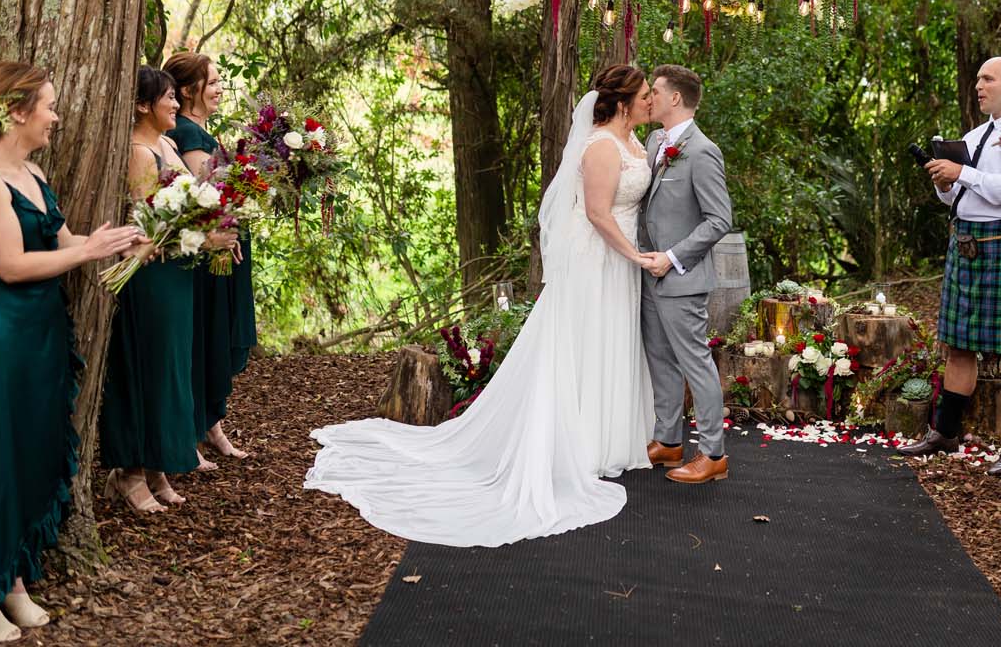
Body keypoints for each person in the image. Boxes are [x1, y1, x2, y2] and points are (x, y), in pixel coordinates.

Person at [304, 66, 660, 545]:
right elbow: (597, 214)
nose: (650, 102)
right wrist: (635, 255)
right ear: (622, 102)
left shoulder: (638, 144)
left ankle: (609, 440)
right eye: (643, 96)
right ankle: (581, 446)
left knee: (610, 343)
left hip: (621, 260)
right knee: (586, 343)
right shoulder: (600, 146)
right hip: (598, 259)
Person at [0, 62, 139, 646]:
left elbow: (61, 241)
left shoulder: (33, 170)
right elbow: (9, 264)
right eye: (49, 105)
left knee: (26, 454)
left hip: (41, 334)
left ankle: (14, 580)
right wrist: (85, 253)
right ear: (19, 111)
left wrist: (119, 242)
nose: (56, 116)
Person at [898, 57, 1001, 476]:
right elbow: (958, 199)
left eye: (988, 79)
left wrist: (963, 173)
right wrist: (944, 184)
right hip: (966, 245)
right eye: (978, 79)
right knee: (959, 344)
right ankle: (946, 433)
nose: (979, 85)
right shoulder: (974, 136)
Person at [98, 68, 229, 512]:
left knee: (172, 368)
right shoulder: (138, 152)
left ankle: (157, 467)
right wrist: (204, 237)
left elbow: (187, 207)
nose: (176, 105)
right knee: (150, 367)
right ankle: (130, 472)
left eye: (176, 97)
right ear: (141, 106)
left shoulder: (169, 144)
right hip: (150, 274)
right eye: (167, 98)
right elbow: (147, 225)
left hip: (177, 272)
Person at [638, 65, 735, 484]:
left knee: (695, 363)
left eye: (655, 92)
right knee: (659, 360)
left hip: (680, 277)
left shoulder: (703, 150)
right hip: (647, 276)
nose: (649, 98)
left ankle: (713, 454)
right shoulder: (654, 140)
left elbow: (719, 220)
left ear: (675, 98)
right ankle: (668, 441)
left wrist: (673, 257)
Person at [163, 51, 255, 468]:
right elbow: (212, 194)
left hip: (225, 244)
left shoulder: (203, 131)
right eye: (213, 82)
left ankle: (211, 424)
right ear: (187, 91)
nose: (220, 88)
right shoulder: (187, 134)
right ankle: (198, 427)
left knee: (215, 336)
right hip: (207, 253)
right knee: (207, 338)